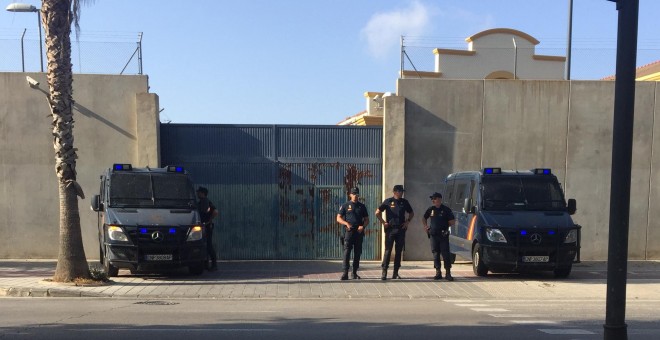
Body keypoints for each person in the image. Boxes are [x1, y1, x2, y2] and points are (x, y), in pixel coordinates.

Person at [375, 184, 414, 280]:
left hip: (400, 229)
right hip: (390, 229)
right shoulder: (388, 201)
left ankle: (395, 273)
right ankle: (384, 272)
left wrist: (407, 222)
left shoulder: (404, 202)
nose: (401, 193)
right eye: (400, 191)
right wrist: (383, 222)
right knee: (388, 251)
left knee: (398, 251)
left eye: (402, 191)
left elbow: (411, 213)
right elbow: (377, 212)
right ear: (395, 192)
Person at [336, 187, 369, 280]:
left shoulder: (362, 206)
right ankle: (345, 273)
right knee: (347, 252)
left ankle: (354, 273)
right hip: (349, 232)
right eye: (354, 194)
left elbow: (367, 219)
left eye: (357, 194)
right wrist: (346, 223)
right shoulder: (345, 205)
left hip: (358, 232)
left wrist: (363, 226)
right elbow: (338, 218)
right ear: (350, 195)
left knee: (357, 252)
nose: (355, 196)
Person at [423, 192, 456, 281]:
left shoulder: (446, 209)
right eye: (432, 199)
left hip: (443, 235)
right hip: (433, 235)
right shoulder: (431, 209)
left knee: (445, 254)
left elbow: (452, 221)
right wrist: (426, 227)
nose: (433, 200)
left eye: (434, 199)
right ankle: (438, 272)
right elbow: (424, 217)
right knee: (435, 253)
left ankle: (448, 273)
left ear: (439, 199)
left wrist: (444, 226)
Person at [197, 186, 219, 271]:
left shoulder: (205, 201)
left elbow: (215, 211)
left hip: (207, 226)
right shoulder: (202, 202)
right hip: (203, 226)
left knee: (209, 245)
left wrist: (208, 221)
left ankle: (214, 265)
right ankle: (206, 264)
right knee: (205, 245)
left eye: (199, 192)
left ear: (202, 193)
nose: (197, 193)